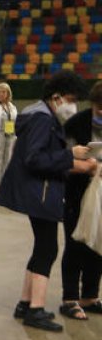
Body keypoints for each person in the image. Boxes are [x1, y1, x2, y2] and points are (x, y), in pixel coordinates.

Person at [0, 69, 97, 332]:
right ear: (57, 97)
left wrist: (69, 158)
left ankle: (25, 303)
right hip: (40, 193)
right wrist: (71, 159)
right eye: (71, 99)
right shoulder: (42, 119)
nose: (73, 105)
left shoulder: (40, 115)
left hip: (40, 191)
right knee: (48, 249)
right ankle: (36, 310)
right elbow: (35, 158)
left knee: (42, 247)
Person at [58, 81, 102, 321]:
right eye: (99, 109)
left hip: (101, 195)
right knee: (75, 245)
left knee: (98, 244)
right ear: (92, 104)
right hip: (76, 194)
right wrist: (87, 167)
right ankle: (70, 299)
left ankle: (90, 296)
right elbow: (62, 160)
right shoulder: (76, 124)